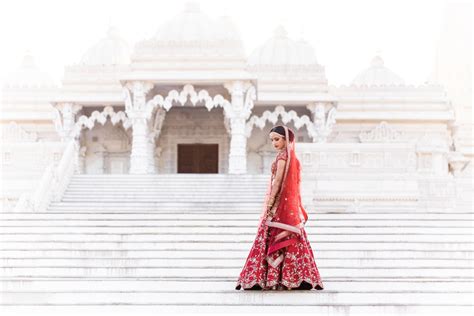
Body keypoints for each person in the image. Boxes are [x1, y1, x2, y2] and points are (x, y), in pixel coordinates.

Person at [235, 125, 324, 291]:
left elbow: (277, 183)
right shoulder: (293, 159)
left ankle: (262, 278)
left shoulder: (282, 158)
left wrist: (270, 205)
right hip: (288, 207)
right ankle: (299, 278)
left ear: (286, 139)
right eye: (272, 140)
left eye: (277, 139)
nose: (274, 143)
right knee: (294, 240)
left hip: (279, 206)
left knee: (268, 237)